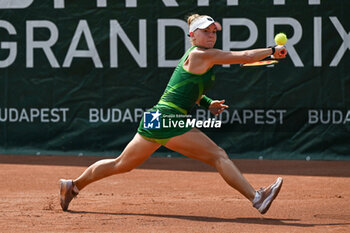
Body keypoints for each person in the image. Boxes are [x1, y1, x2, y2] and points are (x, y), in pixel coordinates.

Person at [60, 14, 286, 214]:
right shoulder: (201, 55)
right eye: (205, 32)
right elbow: (246, 56)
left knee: (122, 164)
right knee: (218, 155)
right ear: (192, 35)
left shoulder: (200, 56)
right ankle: (257, 198)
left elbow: (188, 90)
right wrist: (272, 50)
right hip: (168, 117)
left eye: (213, 32)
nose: (210, 35)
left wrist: (207, 103)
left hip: (156, 116)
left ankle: (73, 185)